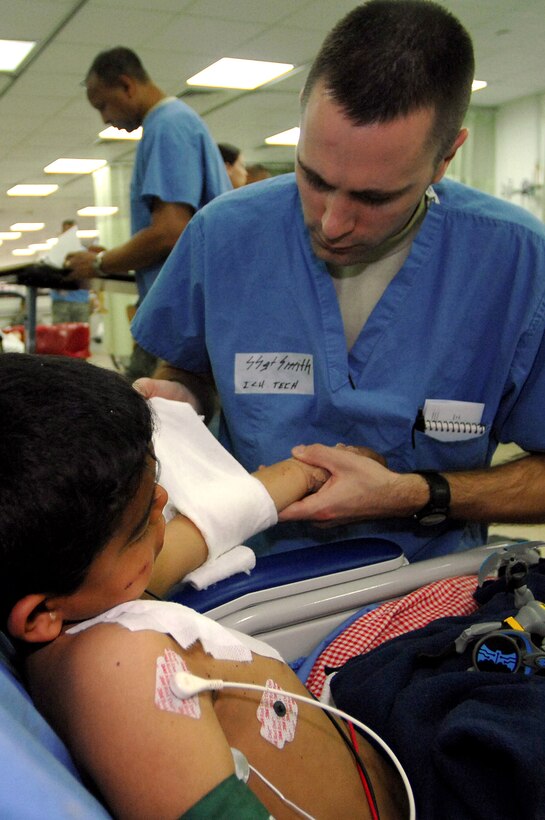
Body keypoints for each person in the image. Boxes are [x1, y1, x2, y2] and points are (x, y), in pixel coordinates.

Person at [131, 0, 545, 562]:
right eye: (313, 178)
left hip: (425, 584)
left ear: (445, 158)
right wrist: (181, 398)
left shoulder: (517, 264)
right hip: (249, 575)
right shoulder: (223, 235)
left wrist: (416, 494)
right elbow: (186, 367)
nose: (331, 223)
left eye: (374, 198)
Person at [0, 353, 403, 819]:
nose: (163, 500)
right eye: (140, 525)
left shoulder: (85, 592)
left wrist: (306, 474)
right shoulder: (120, 672)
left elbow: (204, 528)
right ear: (38, 615)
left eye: (155, 484)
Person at [66, 47, 231, 379]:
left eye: (103, 105)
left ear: (127, 86)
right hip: (190, 312)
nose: (104, 119)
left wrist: (100, 263)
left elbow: (170, 232)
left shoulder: (167, 126)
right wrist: (116, 255)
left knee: (141, 406)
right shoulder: (173, 122)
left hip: (184, 318)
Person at [50, 219, 92, 324]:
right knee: (61, 331)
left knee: (81, 330)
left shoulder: (83, 253)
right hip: (61, 301)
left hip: (80, 299)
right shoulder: (55, 252)